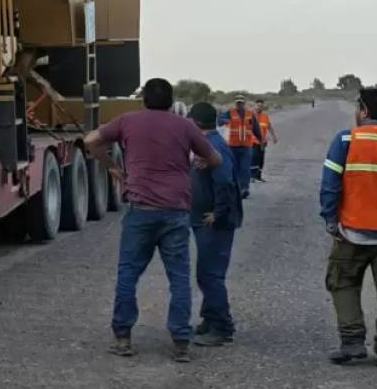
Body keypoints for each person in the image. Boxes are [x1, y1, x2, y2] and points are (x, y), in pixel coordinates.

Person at [84, 78, 222, 363]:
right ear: (171, 102)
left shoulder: (127, 121)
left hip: (141, 210)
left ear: (143, 99)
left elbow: (90, 141)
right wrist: (201, 162)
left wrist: (112, 167)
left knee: (128, 274)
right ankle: (181, 342)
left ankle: (123, 338)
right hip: (175, 212)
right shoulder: (185, 126)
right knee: (179, 278)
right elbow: (216, 158)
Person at [320, 88, 377, 367]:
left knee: (342, 284)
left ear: (364, 112)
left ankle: (352, 343)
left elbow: (330, 185)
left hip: (351, 233)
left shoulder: (345, 139)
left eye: (357, 108)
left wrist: (330, 219)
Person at [188, 102, 244, 346]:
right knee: (205, 273)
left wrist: (217, 214)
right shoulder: (205, 145)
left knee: (211, 275)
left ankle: (222, 328)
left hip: (215, 223)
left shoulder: (214, 145)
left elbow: (225, 183)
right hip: (204, 220)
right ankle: (210, 319)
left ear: (195, 123)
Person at [219, 95, 262, 199]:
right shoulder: (230, 113)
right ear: (235, 103)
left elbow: (256, 128)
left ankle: (244, 188)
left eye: (241, 102)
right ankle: (236, 188)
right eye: (238, 102)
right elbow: (219, 121)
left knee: (245, 168)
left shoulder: (250, 114)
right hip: (233, 146)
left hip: (246, 146)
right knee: (234, 168)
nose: (239, 104)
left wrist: (261, 141)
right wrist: (225, 121)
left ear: (244, 103)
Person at [250, 99, 278, 183]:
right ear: (255, 106)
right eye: (258, 106)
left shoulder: (265, 116)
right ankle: (252, 177)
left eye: (261, 106)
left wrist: (274, 136)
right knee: (254, 159)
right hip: (253, 142)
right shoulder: (250, 116)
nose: (259, 107)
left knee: (261, 160)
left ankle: (258, 176)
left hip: (262, 142)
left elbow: (269, 126)